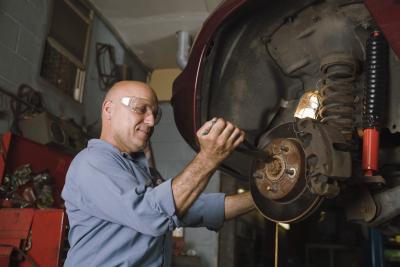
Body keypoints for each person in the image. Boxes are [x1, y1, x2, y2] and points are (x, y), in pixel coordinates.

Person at [61, 81, 254, 267]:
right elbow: (152, 215)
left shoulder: (143, 172)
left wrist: (260, 197)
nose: (151, 121)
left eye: (155, 113)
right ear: (109, 109)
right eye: (141, 108)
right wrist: (208, 158)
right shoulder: (92, 162)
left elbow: (194, 209)